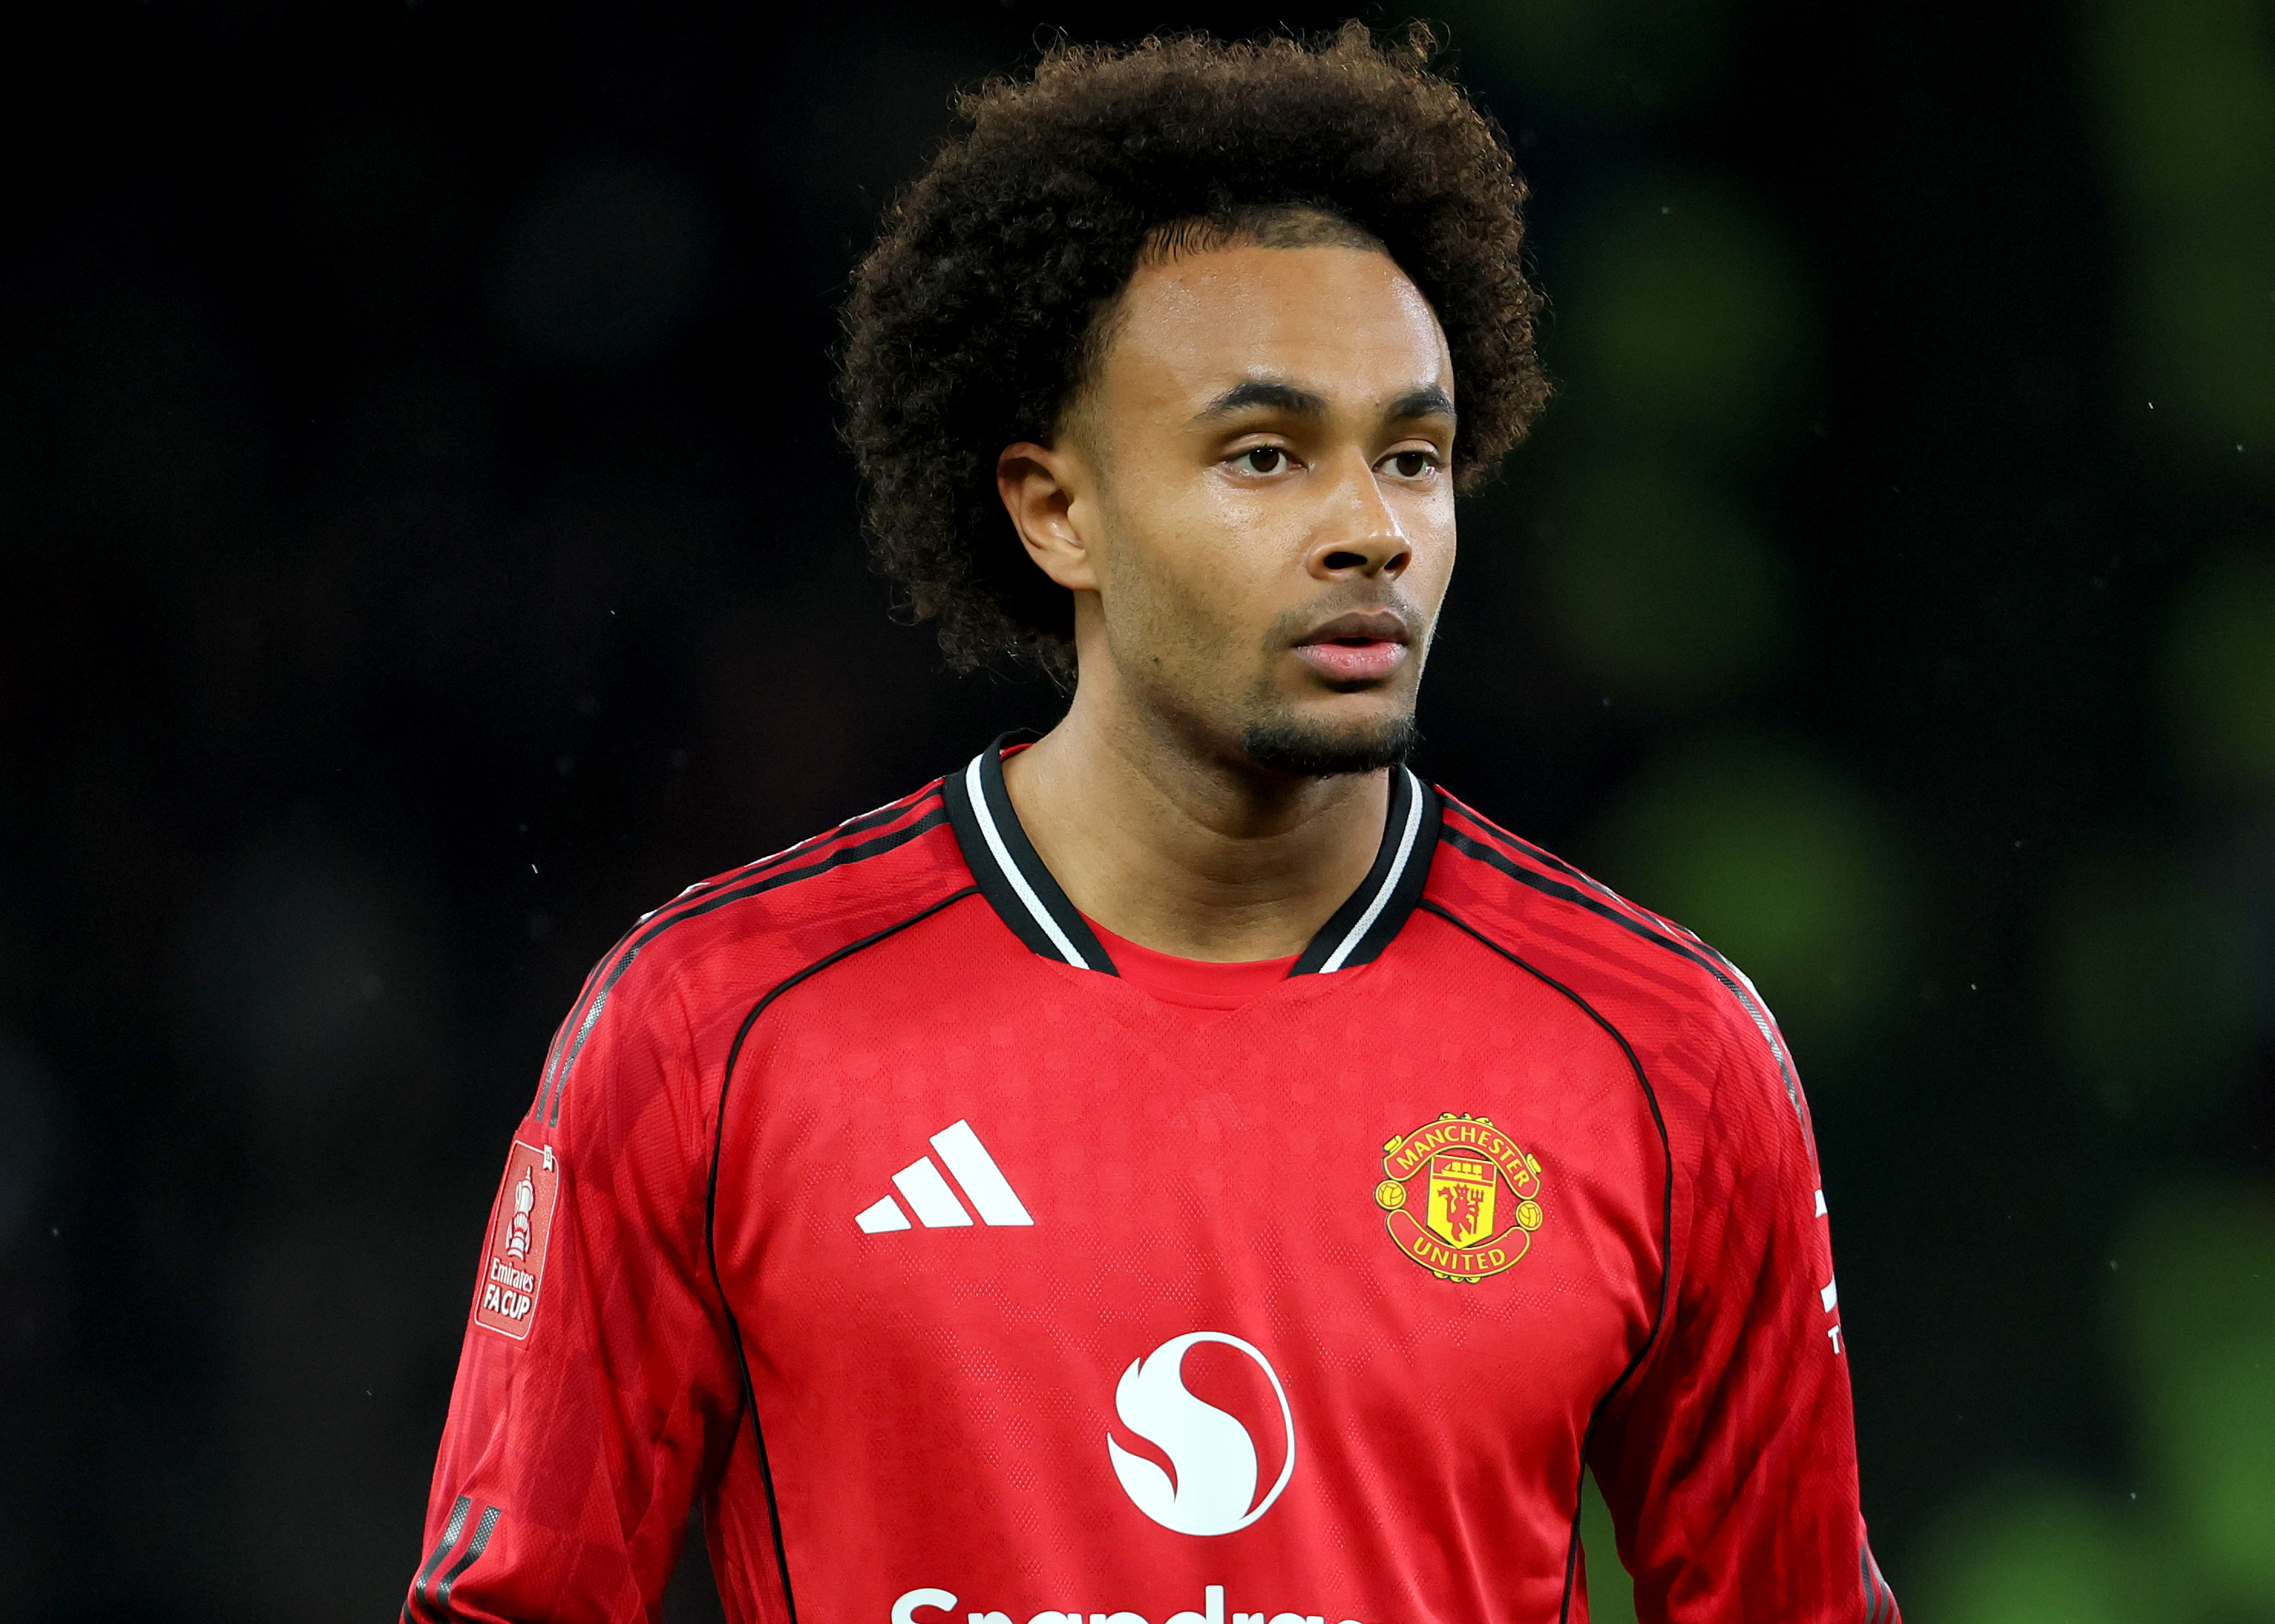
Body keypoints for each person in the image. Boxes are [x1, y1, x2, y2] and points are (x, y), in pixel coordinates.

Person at [405, 25, 1900, 1624]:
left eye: (1413, 456)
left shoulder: (1667, 1053)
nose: (1370, 533)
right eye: (1266, 457)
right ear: (1057, 510)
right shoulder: (712, 1029)